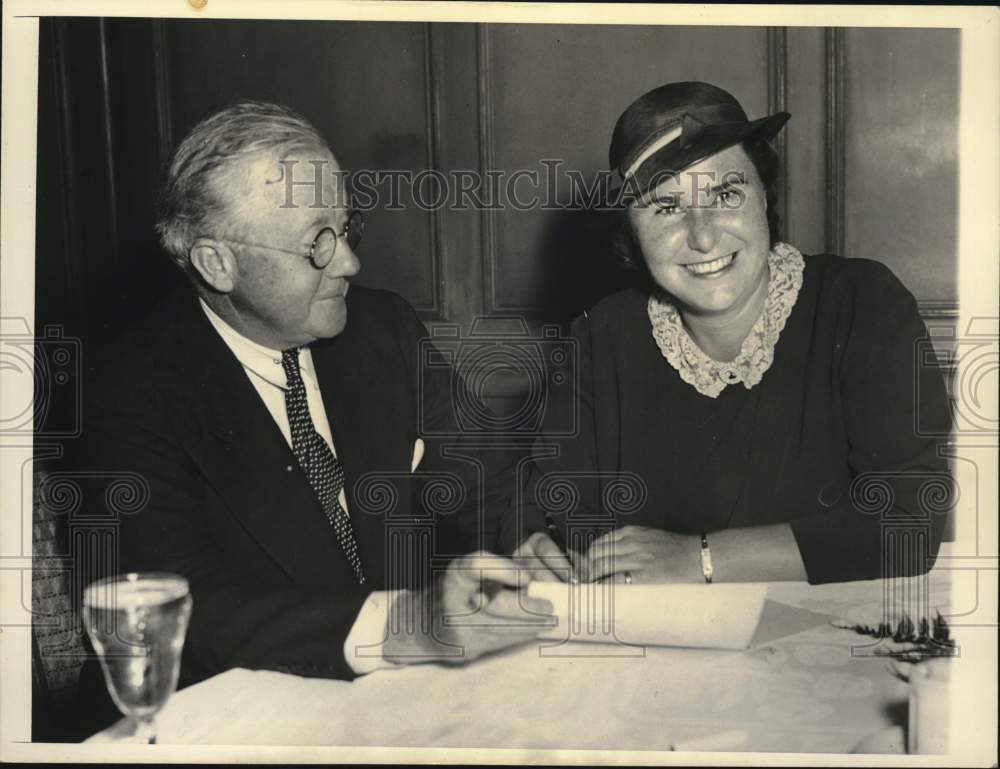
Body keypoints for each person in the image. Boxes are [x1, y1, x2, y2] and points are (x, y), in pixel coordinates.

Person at [73, 100, 573, 726]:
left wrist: (523, 541)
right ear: (216, 263)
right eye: (317, 243)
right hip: (245, 718)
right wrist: (406, 624)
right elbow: (185, 607)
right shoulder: (129, 391)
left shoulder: (383, 328)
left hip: (412, 704)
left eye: (346, 226)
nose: (350, 262)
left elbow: (487, 481)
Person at [524, 81, 952, 586]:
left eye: (725, 193)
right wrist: (542, 550)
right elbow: (554, 514)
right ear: (629, 236)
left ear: (764, 196)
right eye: (665, 207)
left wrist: (699, 559)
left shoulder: (861, 304)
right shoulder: (598, 339)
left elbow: (908, 522)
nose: (703, 235)